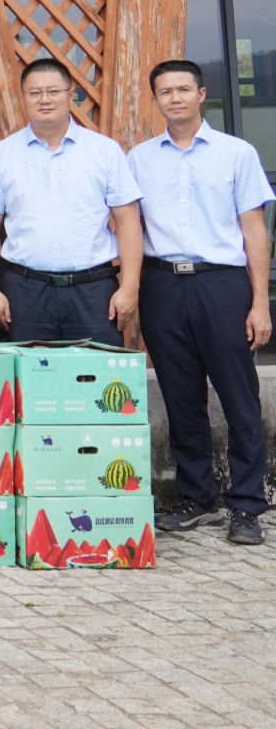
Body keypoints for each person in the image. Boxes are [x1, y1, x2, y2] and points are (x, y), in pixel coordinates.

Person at [129, 60, 272, 546]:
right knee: (180, 396)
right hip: (162, 284)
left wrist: (260, 302)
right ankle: (197, 498)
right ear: (157, 99)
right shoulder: (139, 159)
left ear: (201, 94)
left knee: (238, 396)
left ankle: (248, 505)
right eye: (165, 91)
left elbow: (254, 230)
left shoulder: (236, 153)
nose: (175, 97)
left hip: (223, 284)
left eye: (183, 89)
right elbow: (130, 228)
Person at [0, 58, 142, 345]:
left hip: (94, 290)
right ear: (23, 97)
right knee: (31, 384)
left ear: (70, 92)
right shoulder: (1, 155)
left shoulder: (104, 151)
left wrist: (129, 286)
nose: (44, 99)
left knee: (99, 382)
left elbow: (128, 221)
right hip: (25, 292)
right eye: (35, 93)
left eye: (53, 91)